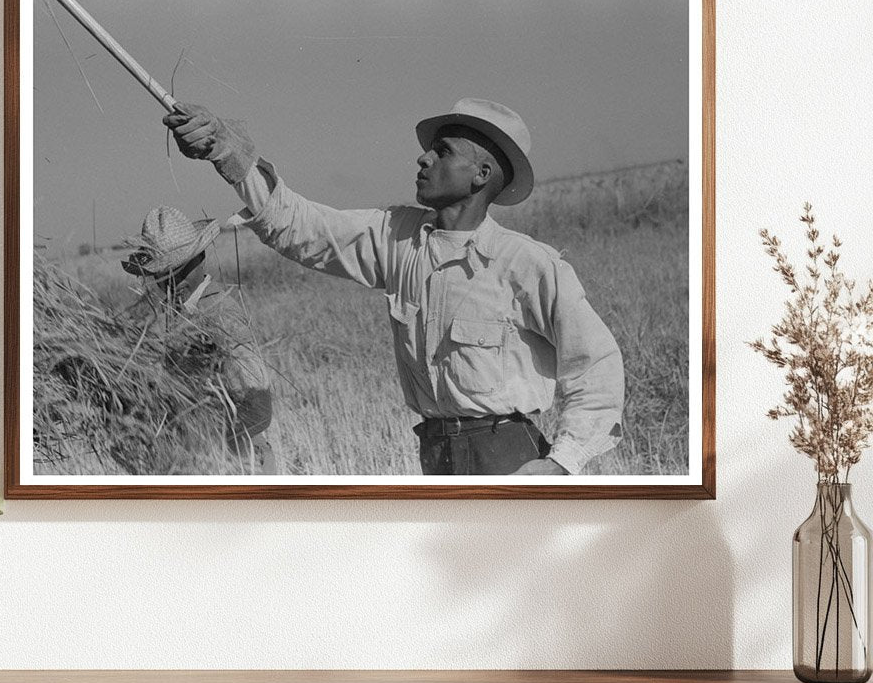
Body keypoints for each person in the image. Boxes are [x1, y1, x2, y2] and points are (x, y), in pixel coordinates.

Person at [162, 98, 624, 476]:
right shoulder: (397, 239)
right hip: (435, 456)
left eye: (443, 151)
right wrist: (232, 157)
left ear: (481, 175)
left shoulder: (526, 264)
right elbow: (302, 227)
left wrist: (560, 465)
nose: (423, 157)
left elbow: (597, 365)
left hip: (509, 457)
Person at [121, 205, 274, 473]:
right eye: (161, 273)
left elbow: (259, 405)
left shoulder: (221, 314)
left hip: (237, 464)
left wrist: (218, 453)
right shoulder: (177, 315)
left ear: (200, 257)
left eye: (179, 268)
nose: (171, 280)